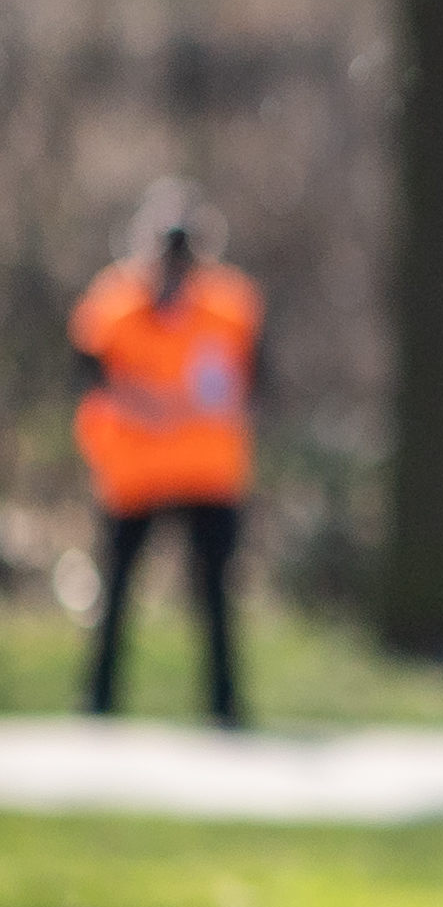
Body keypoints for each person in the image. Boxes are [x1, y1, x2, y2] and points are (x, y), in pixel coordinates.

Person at [70, 185, 262, 728]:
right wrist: (142, 404)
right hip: (135, 470)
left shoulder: (229, 307)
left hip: (207, 469)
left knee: (215, 595)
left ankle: (224, 706)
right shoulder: (113, 304)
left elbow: (256, 380)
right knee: (116, 593)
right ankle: (99, 703)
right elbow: (88, 375)